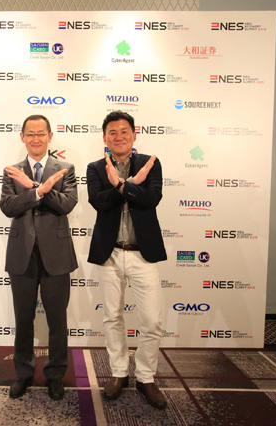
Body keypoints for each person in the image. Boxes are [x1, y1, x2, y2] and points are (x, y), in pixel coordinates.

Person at [86, 110, 168, 409]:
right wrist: (132, 185)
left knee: (152, 320)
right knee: (112, 317)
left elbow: (151, 199)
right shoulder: (96, 168)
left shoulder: (151, 163)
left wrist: (120, 185)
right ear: (105, 138)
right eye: (112, 132)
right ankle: (119, 373)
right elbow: (99, 202)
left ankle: (146, 377)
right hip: (110, 253)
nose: (118, 136)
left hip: (142, 253)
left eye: (124, 131)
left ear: (134, 134)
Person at [0, 114, 78, 401]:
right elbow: (8, 207)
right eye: (30, 133)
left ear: (50, 136)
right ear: (22, 137)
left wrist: (35, 188)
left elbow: (67, 204)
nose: (35, 138)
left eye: (40, 133)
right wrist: (38, 191)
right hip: (22, 255)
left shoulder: (65, 169)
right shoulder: (12, 171)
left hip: (56, 255)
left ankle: (55, 374)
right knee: (23, 319)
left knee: (58, 320)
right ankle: (23, 373)